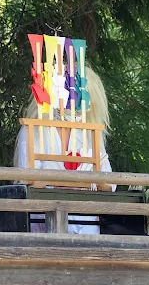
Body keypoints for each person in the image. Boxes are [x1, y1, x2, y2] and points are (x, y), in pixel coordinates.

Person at [13, 66, 115, 234]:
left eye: (82, 99)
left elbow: (109, 182)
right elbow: (27, 180)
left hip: (87, 220)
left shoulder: (90, 133)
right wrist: (76, 183)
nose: (74, 105)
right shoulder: (35, 130)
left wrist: (92, 185)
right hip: (45, 217)